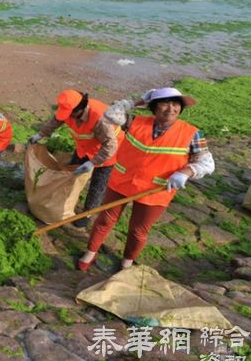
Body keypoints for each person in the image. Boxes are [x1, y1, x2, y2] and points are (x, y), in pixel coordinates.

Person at [77, 87, 215, 271]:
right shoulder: (135, 122)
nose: (171, 108)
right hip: (122, 182)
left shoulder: (192, 134)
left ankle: (127, 263)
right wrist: (138, 100)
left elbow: (207, 163)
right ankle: (90, 253)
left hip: (155, 191)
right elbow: (110, 115)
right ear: (154, 107)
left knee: (138, 230)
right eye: (165, 103)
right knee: (105, 220)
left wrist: (187, 172)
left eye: (176, 104)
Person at [29, 90, 123, 227]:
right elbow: (56, 121)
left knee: (98, 185)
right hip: (84, 148)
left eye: (71, 114)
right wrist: (40, 135)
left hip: (108, 153)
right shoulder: (68, 111)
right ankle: (65, 200)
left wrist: (93, 162)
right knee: (71, 174)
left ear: (81, 108)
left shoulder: (100, 118)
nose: (69, 117)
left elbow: (110, 145)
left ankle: (88, 213)